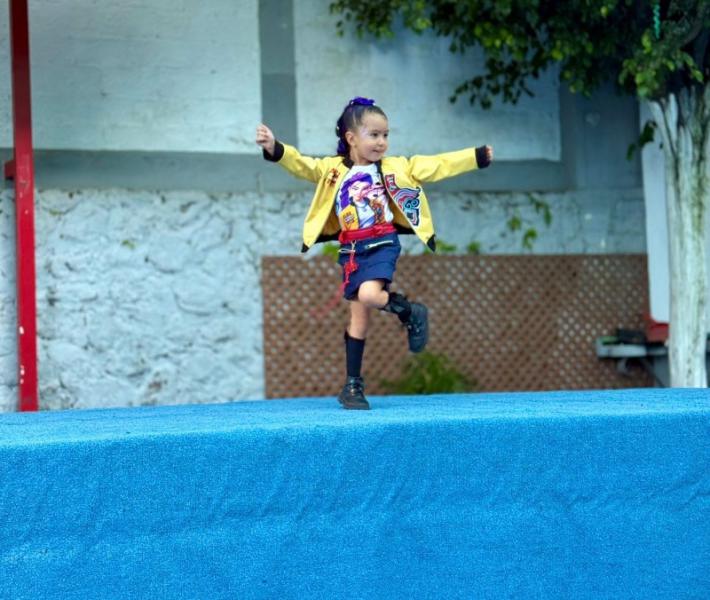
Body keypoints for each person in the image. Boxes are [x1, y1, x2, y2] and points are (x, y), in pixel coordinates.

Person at [256, 97, 492, 410]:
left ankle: (410, 311)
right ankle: (352, 386)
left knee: (369, 295)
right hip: (351, 250)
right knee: (358, 319)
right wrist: (274, 147)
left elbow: (438, 164)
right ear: (351, 138)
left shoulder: (396, 167)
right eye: (374, 135)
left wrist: (475, 157)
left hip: (382, 243)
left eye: (385, 135)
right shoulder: (331, 170)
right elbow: (301, 164)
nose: (382, 142)